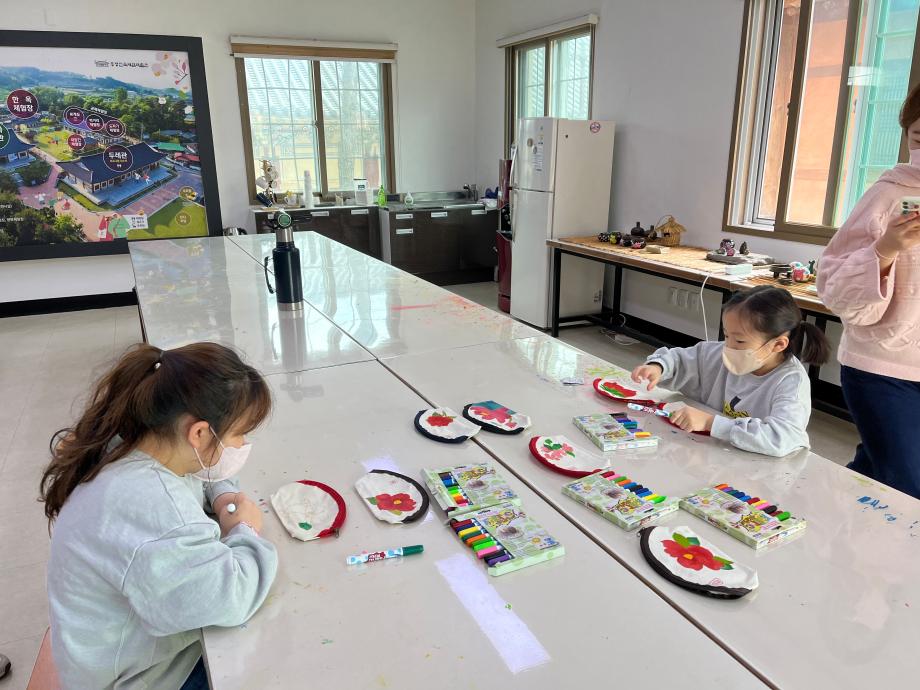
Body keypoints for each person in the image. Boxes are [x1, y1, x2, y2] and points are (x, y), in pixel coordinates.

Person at [40, 342, 277, 690]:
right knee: (275, 649)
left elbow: (200, 469)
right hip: (139, 679)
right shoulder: (153, 506)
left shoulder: (137, 440)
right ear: (198, 433)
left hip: (112, 654)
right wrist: (246, 530)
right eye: (240, 433)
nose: (241, 445)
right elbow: (230, 597)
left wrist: (223, 494)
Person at [817, 83, 920, 499]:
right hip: (883, 367)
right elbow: (833, 285)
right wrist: (886, 249)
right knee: (906, 487)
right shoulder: (889, 193)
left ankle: (826, 517)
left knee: (877, 470)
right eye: (919, 138)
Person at [631, 286, 830, 457]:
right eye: (726, 336)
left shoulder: (790, 383)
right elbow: (681, 360)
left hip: (756, 471)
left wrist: (710, 423)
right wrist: (658, 367)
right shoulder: (719, 353)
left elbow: (781, 438)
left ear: (778, 344)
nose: (729, 347)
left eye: (740, 340)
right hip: (713, 453)